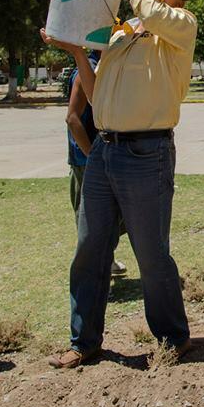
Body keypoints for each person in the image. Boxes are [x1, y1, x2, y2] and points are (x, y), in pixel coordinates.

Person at [42, 0, 196, 369]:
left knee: (150, 253)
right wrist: (77, 51)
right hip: (104, 150)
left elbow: (150, 10)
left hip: (148, 153)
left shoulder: (180, 28)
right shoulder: (122, 32)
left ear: (180, 2)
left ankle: (172, 338)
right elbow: (96, 96)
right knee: (90, 249)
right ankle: (84, 341)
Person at [65, 53, 126, 277]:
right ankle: (92, 272)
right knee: (90, 221)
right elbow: (72, 119)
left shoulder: (102, 65)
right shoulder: (87, 70)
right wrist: (92, 157)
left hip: (99, 157)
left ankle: (105, 259)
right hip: (85, 161)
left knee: (113, 216)